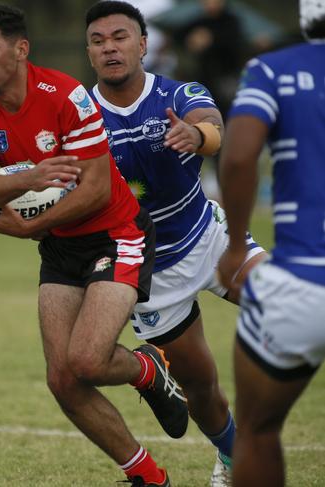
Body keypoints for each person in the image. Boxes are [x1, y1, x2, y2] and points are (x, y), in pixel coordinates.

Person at [0, 5, 188, 487]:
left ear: (20, 50)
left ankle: (147, 365)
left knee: (87, 361)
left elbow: (97, 189)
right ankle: (148, 477)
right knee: (62, 379)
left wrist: (26, 224)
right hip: (61, 246)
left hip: (117, 231)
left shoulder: (64, 94)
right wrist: (35, 177)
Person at [83, 2, 266, 486]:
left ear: (143, 44)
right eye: (98, 41)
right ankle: (232, 458)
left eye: (120, 37)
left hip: (210, 239)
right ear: (90, 52)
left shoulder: (177, 91)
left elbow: (214, 128)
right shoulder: (78, 115)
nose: (110, 48)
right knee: (201, 387)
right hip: (151, 271)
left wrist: (196, 133)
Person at [217, 1, 325, 485]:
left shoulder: (273, 69)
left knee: (258, 430)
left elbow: (239, 156)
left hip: (303, 280)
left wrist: (237, 245)